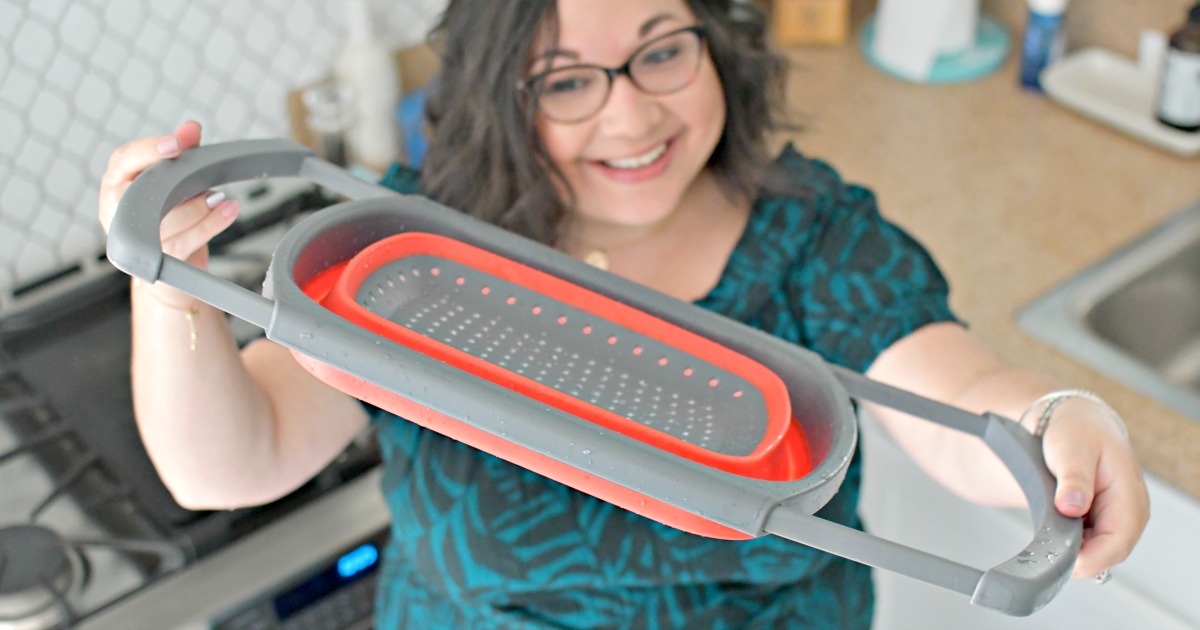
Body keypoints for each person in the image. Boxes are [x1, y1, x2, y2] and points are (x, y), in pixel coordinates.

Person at [97, 0, 1149, 627]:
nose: (632, 114)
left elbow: (956, 397)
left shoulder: (814, 237)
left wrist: (1055, 425)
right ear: (501, 97)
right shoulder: (419, 252)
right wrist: (166, 278)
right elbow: (229, 466)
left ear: (717, 48)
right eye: (565, 82)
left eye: (660, 52)